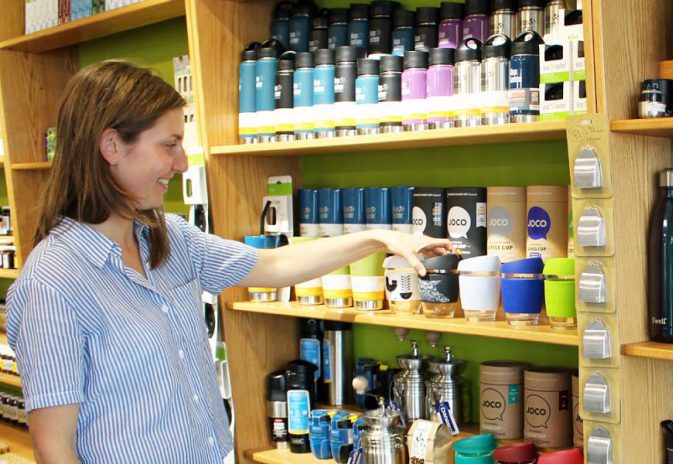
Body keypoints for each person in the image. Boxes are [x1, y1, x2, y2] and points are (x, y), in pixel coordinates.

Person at [5, 60, 452, 464]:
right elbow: (54, 450)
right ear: (112, 147)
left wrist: (379, 237)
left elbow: (273, 266)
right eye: (169, 145)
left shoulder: (168, 238)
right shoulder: (54, 283)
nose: (181, 163)